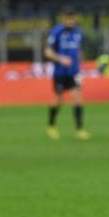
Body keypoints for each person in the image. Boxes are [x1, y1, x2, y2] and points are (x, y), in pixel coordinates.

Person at [44, 10, 90, 140]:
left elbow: (79, 51)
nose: (70, 21)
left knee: (78, 98)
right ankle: (51, 126)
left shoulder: (78, 32)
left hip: (74, 72)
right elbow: (47, 52)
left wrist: (81, 62)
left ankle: (79, 130)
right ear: (63, 19)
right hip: (60, 72)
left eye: (72, 19)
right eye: (67, 19)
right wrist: (60, 58)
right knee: (59, 100)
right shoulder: (57, 32)